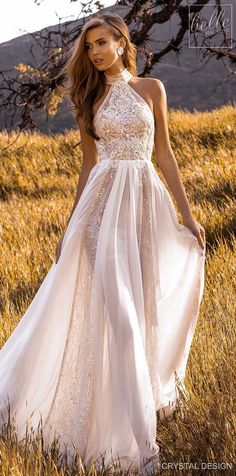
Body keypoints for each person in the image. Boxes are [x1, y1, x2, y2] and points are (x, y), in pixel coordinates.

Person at [0, 11, 206, 475]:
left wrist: (187, 214)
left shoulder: (152, 90)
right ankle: (139, 446)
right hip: (101, 213)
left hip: (144, 209)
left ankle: (138, 405)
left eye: (100, 43)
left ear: (121, 41)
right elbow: (89, 166)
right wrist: (71, 225)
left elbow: (165, 155)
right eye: (88, 46)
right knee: (123, 319)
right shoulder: (88, 100)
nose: (93, 52)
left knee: (140, 308)